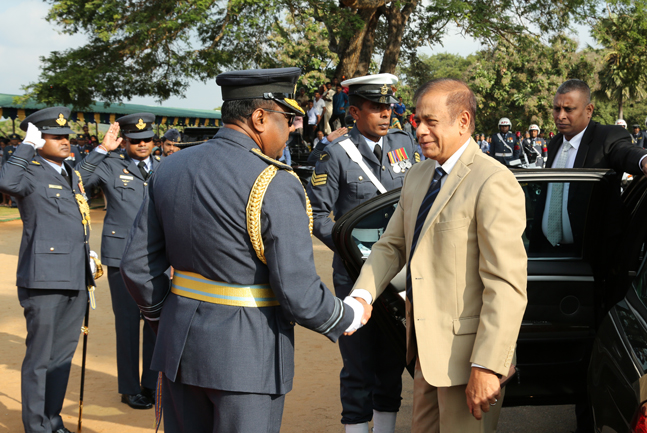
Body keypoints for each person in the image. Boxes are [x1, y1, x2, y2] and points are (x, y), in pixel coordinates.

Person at [120, 67, 369, 433]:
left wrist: (163, 316)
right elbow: (298, 293)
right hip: (249, 356)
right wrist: (345, 316)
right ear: (259, 118)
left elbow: (137, 267)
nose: (288, 133)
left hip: (178, 348)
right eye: (285, 120)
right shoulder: (276, 181)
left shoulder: (170, 168)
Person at [349, 78, 528, 433]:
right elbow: (392, 245)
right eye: (417, 120)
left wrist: (487, 365)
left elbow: (505, 285)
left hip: (469, 361)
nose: (420, 131)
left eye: (431, 121)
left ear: (463, 121)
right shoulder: (419, 175)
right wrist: (362, 294)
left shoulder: (493, 181)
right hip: (425, 356)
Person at [306, 73, 416, 433]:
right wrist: (355, 251)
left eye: (388, 106)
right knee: (357, 362)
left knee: (391, 360)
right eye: (375, 108)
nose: (385, 114)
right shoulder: (335, 154)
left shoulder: (405, 144)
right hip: (355, 276)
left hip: (399, 274)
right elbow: (319, 216)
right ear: (354, 111)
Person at [541, 79, 647, 432]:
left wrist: (646, 158)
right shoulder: (555, 143)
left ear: (589, 110)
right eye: (556, 108)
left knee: (590, 356)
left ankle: (587, 423)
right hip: (557, 259)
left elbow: (626, 152)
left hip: (595, 270)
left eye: (568, 109)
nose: (560, 115)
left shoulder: (605, 138)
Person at [0, 107, 97, 433]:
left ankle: (53, 421)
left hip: (75, 276)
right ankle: (37, 426)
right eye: (56, 137)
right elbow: (6, 182)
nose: (65, 141)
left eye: (66, 136)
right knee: (40, 360)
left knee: (61, 359)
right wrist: (25, 146)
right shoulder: (29, 170)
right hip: (43, 278)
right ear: (39, 139)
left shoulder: (70, 172)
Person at [77, 113, 161, 409]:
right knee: (127, 324)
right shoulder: (111, 165)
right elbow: (77, 182)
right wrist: (102, 150)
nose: (142, 144)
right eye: (135, 140)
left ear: (154, 139)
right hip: (122, 257)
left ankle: (152, 384)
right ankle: (129, 387)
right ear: (124, 140)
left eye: (147, 139)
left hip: (157, 259)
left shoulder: (164, 168)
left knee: (156, 324)